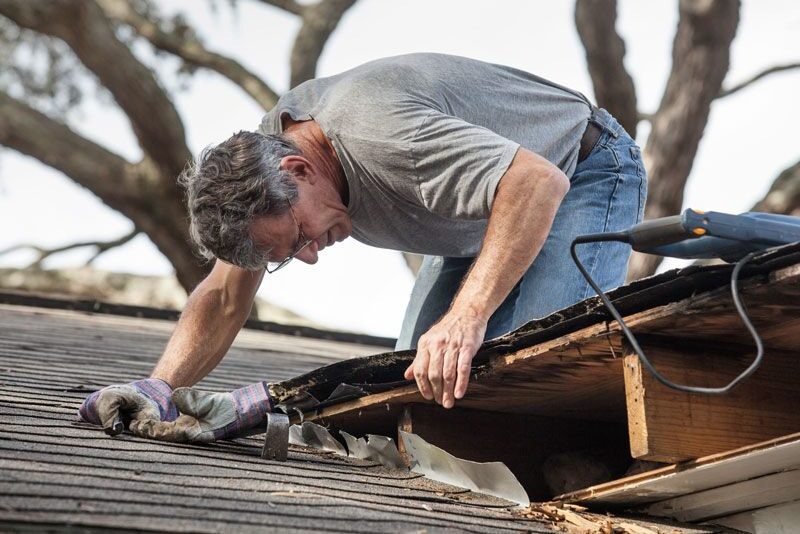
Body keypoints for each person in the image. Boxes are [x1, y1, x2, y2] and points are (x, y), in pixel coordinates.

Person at [78, 53, 646, 442]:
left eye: (299, 237)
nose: (310, 255)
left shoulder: (381, 135)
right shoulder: (260, 171)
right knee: (417, 396)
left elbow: (534, 183)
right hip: (478, 217)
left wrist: (467, 317)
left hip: (582, 170)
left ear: (299, 169)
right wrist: (159, 388)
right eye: (286, 256)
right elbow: (225, 297)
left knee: (539, 377)